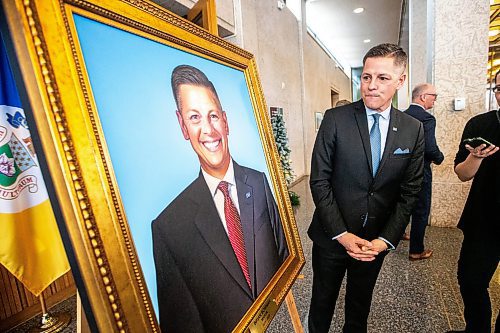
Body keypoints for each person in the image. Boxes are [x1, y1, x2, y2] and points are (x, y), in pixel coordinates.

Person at [152, 65, 288, 333]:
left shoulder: (259, 181)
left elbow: (283, 251)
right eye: (194, 118)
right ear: (182, 126)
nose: (208, 130)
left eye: (213, 116)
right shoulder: (169, 227)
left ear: (225, 121)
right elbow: (180, 322)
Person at [307, 43, 424, 333]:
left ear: (400, 80)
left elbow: (410, 192)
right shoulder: (336, 120)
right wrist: (342, 235)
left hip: (374, 242)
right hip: (331, 236)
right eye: (366, 77)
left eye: (382, 78)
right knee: (321, 303)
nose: (371, 86)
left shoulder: (412, 129)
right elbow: (319, 180)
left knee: (359, 308)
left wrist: (385, 240)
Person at [448, 71, 500, 333]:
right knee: (470, 280)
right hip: (484, 218)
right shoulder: (479, 124)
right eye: (499, 88)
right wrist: (476, 158)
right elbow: (462, 174)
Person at [405, 83, 444, 261]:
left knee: (402, 204)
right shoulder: (427, 118)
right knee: (420, 210)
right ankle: (416, 250)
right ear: (422, 97)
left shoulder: (401, 116)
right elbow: (430, 147)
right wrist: (439, 158)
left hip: (399, 171)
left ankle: (397, 233)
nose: (435, 100)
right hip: (420, 171)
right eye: (433, 96)